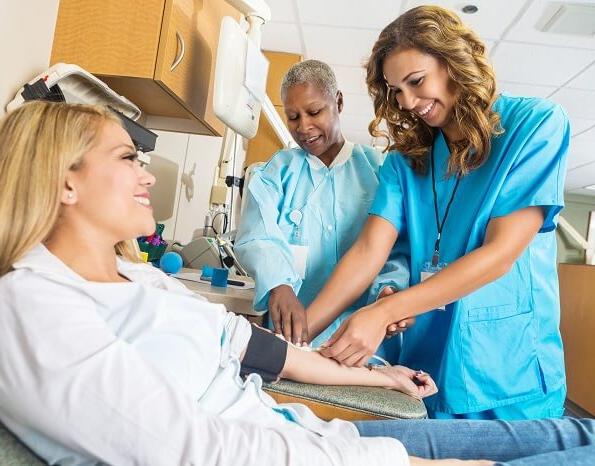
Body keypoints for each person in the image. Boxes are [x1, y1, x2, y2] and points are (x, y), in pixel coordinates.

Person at [0, 102, 593, 466]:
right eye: (129, 157)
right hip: (299, 445)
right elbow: (193, 451)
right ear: (64, 182)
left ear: (338, 104)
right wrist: (285, 289)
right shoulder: (33, 306)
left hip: (308, 419)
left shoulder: (138, 277)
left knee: (575, 432)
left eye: (316, 111)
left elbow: (252, 344)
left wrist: (369, 369)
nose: (147, 173)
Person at [306, 5, 570, 421]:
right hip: (429, 359)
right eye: (396, 90)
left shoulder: (535, 126)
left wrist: (385, 312)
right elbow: (368, 250)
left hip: (508, 365)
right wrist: (296, 334)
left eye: (416, 81)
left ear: (454, 63)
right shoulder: (405, 161)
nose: (408, 102)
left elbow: (500, 254)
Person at [235, 59, 409, 351]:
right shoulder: (275, 174)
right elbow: (257, 236)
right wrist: (279, 284)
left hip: (361, 345)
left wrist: (388, 290)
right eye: (293, 117)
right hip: (290, 340)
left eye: (314, 112)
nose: (304, 126)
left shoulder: (379, 172)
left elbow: (398, 248)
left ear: (338, 102)